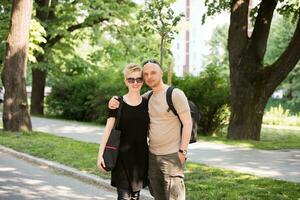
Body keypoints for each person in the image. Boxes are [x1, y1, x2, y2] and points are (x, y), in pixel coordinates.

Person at [109, 59, 192, 200]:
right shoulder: (147, 97)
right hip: (152, 156)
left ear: (161, 73)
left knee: (174, 197)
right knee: (158, 196)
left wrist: (182, 151)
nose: (149, 76)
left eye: (153, 72)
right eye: (145, 74)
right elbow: (131, 102)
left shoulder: (175, 94)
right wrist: (114, 101)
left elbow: (188, 123)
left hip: (171, 156)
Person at [98, 63, 149, 200]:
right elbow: (108, 128)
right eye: (131, 79)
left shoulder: (147, 103)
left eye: (138, 79)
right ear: (125, 81)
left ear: (142, 81)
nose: (135, 83)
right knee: (124, 197)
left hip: (140, 159)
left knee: (135, 197)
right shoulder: (117, 103)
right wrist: (100, 154)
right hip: (121, 158)